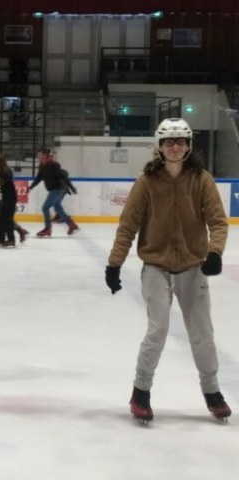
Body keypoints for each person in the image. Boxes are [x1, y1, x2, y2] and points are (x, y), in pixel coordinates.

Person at [106, 118, 231, 424]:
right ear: (160, 147)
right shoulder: (147, 182)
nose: (175, 147)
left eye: (181, 141)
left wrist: (214, 252)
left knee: (202, 334)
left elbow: (217, 221)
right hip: (156, 266)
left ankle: (212, 391)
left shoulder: (201, 180)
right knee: (158, 329)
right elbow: (128, 226)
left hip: (193, 267)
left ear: (188, 146)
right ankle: (141, 392)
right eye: (169, 142)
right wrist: (114, 263)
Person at [27, 148, 79, 237]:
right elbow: (39, 178)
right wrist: (31, 187)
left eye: (39, 154)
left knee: (45, 207)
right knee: (58, 208)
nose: (37, 156)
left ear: (44, 155)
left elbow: (63, 177)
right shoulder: (42, 165)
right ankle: (72, 225)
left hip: (58, 189)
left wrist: (72, 187)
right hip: (54, 189)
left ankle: (48, 228)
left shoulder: (53, 165)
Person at [0, 154, 17, 248]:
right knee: (1, 219)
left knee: (8, 219)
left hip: (10, 197)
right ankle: (0, 238)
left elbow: (7, 177)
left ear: (0, 162)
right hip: (5, 197)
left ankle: (11, 239)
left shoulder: (6, 170)